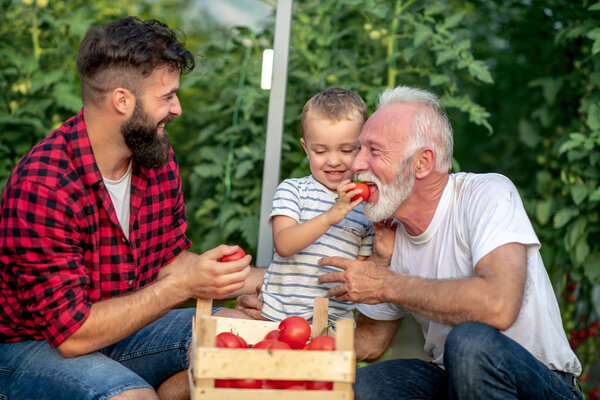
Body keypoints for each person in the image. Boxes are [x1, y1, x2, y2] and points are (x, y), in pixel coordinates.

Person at [0, 17, 262, 400]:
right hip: (30, 346)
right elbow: (72, 335)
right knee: (133, 398)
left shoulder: (152, 156)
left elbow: (169, 260)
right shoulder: (44, 185)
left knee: (241, 335)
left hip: (122, 332)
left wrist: (269, 281)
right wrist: (184, 287)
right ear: (122, 100)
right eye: (167, 96)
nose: (178, 109)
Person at [311, 85, 582, 399]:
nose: (355, 164)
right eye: (359, 149)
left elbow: (498, 305)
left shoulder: (487, 194)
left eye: (374, 150)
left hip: (540, 385)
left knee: (470, 344)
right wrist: (285, 330)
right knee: (368, 387)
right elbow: (371, 342)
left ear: (423, 163)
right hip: (454, 382)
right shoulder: (389, 236)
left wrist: (387, 284)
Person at [258, 87, 395, 324]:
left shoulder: (365, 210)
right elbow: (284, 244)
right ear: (306, 148)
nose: (333, 161)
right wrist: (331, 216)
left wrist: (382, 256)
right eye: (320, 151)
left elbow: (358, 271)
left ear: (363, 148)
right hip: (278, 317)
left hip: (333, 324)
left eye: (346, 150)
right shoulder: (293, 190)